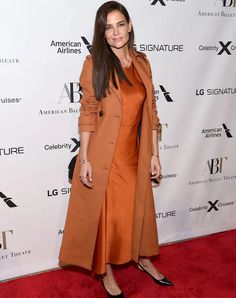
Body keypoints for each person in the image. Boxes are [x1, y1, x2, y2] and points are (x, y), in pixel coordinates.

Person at [59, 1, 173, 297]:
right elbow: (87, 112)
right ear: (102, 32)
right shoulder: (94, 64)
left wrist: (155, 154)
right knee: (108, 218)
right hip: (103, 155)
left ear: (130, 25)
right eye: (107, 27)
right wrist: (84, 159)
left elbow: (151, 109)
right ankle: (106, 271)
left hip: (134, 154)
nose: (115, 32)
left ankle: (143, 258)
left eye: (120, 24)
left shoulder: (142, 62)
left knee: (138, 211)